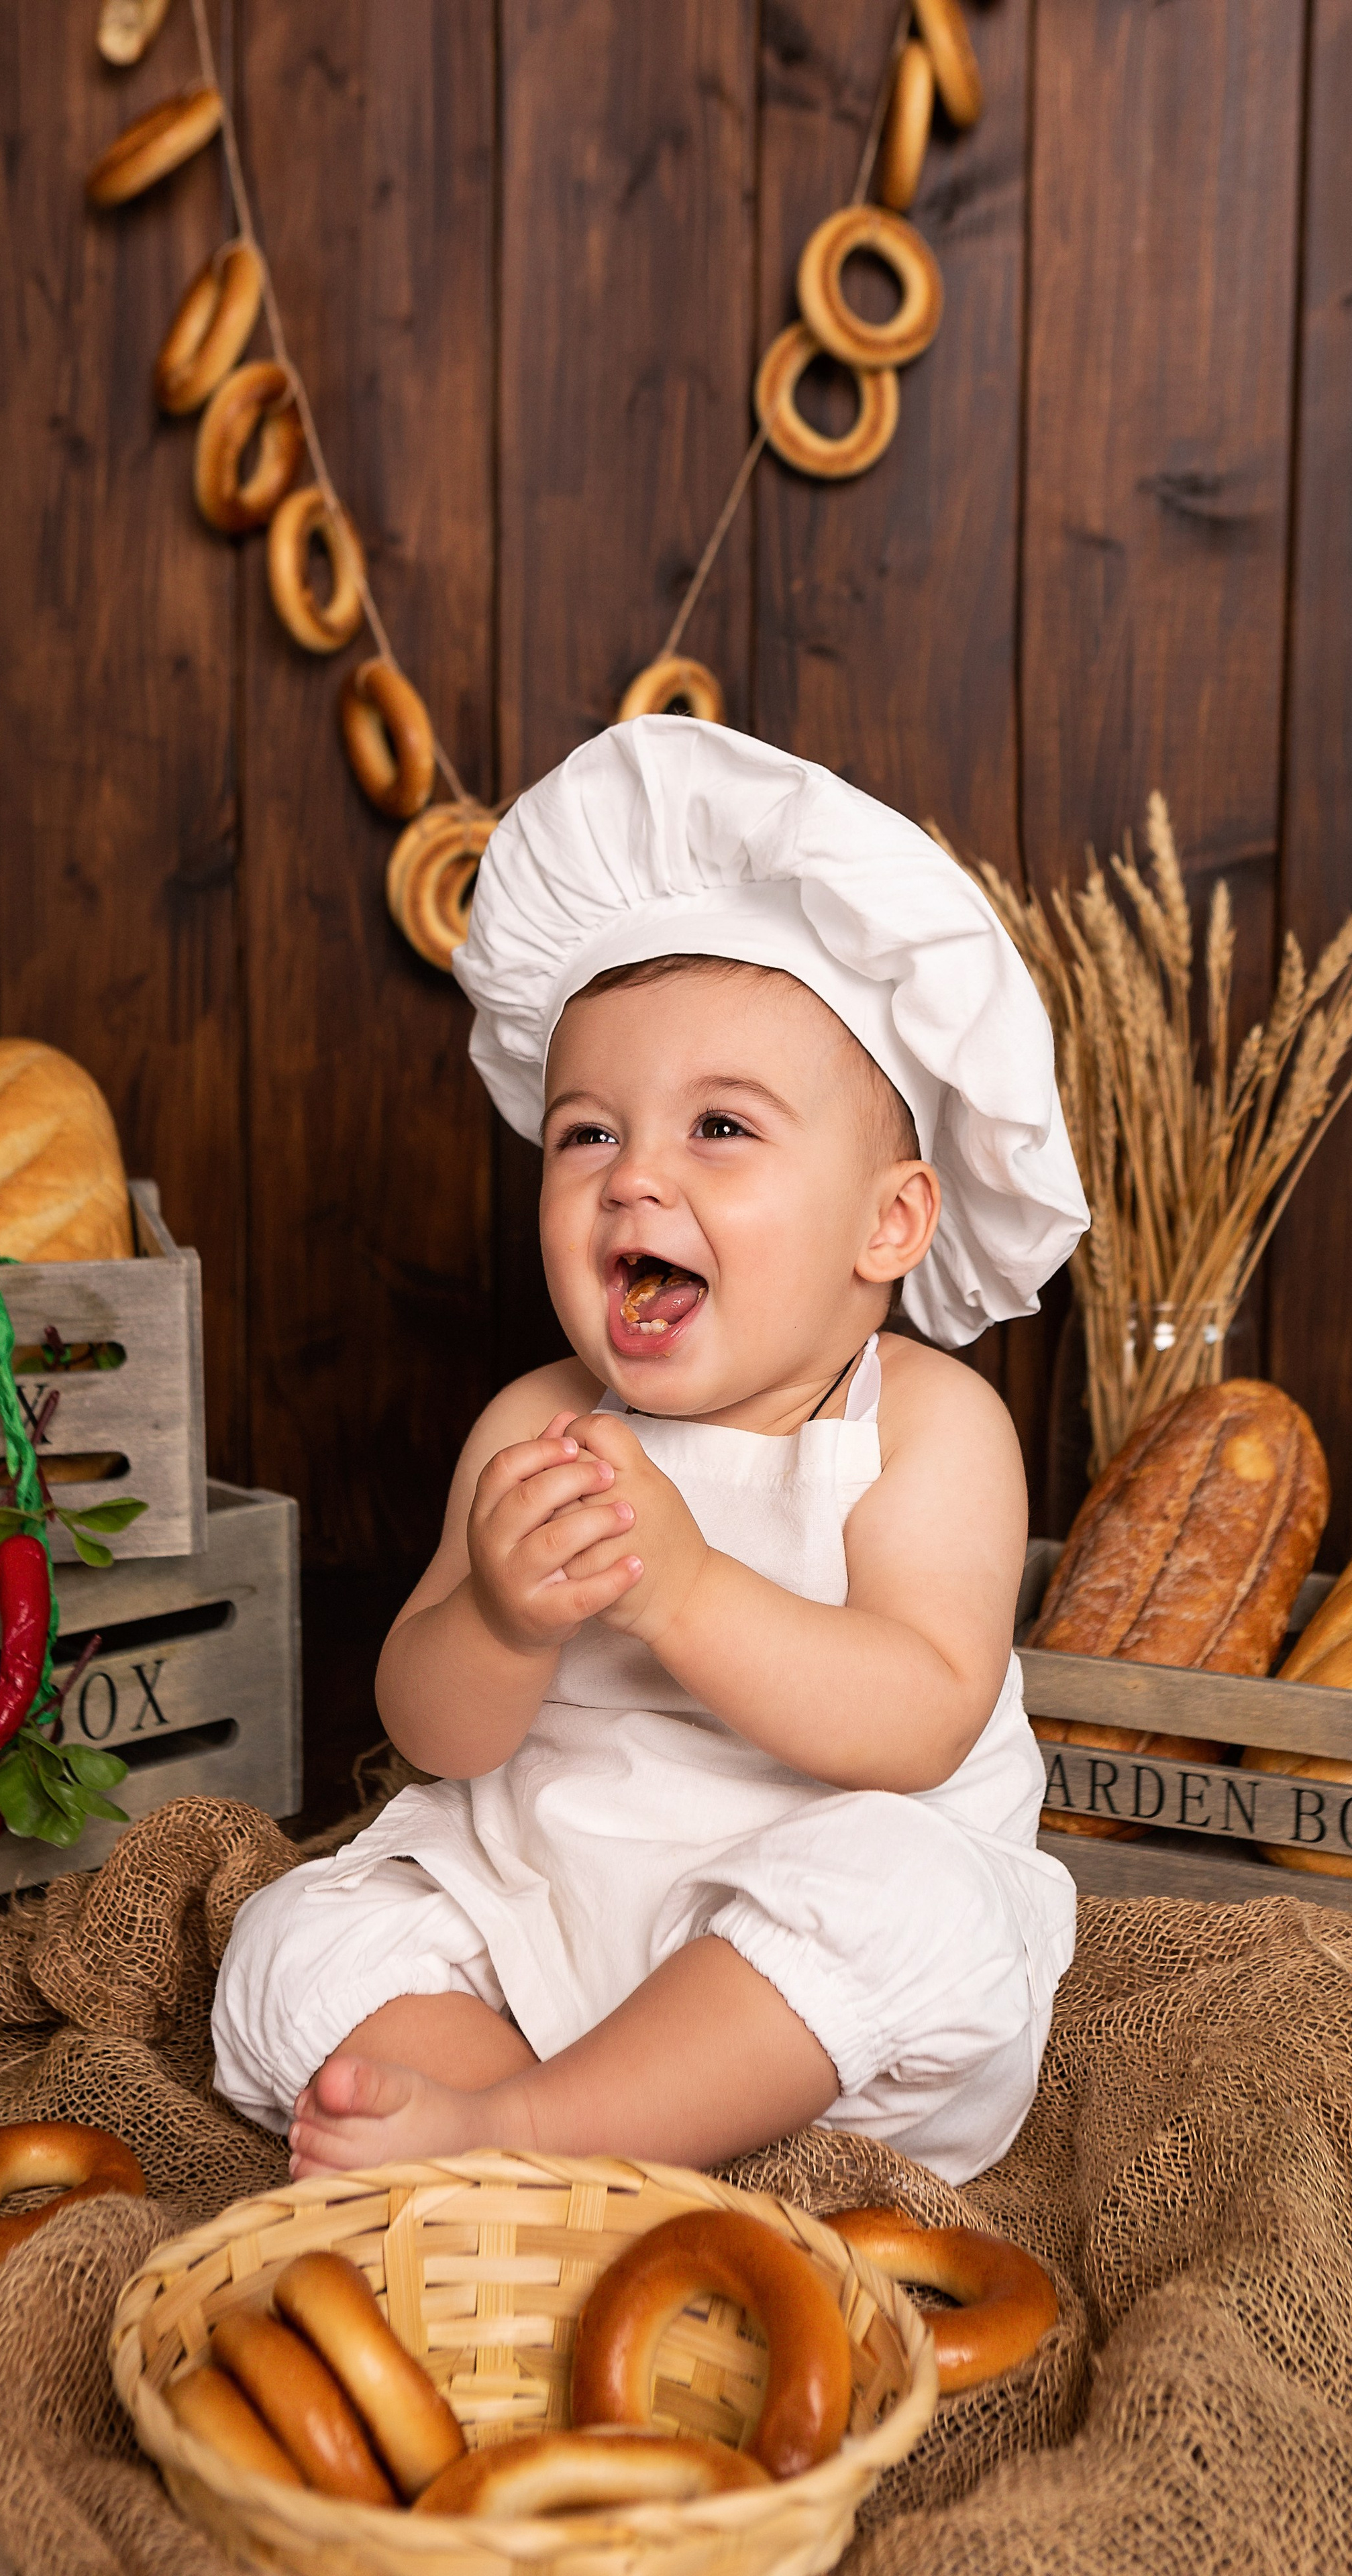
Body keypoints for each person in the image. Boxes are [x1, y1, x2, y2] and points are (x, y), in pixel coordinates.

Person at [213, 718, 1088, 2184]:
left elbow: (923, 1716)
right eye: (584, 1136)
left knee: (913, 1902)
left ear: (890, 1221)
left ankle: (522, 2143)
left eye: (720, 1127)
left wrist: (682, 1592)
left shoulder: (922, 1425)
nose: (635, 1180)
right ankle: (564, 2138)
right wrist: (494, 1615)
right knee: (292, 1943)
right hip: (543, 1917)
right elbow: (435, 1731)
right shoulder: (536, 1421)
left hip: (787, 1981)